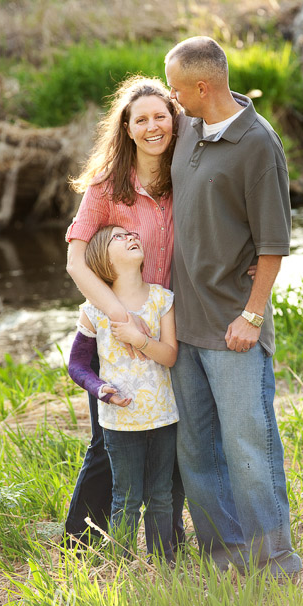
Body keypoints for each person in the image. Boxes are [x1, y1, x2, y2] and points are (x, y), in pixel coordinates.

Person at [164, 36, 301, 577]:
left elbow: (273, 243)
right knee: (197, 449)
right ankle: (226, 560)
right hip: (184, 324)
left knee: (249, 447)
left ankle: (278, 563)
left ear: (202, 86)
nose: (171, 97)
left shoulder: (258, 145)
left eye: (176, 88)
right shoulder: (187, 129)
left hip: (232, 326)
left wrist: (252, 315)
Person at [64, 76, 186, 548]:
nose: (153, 126)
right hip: (115, 324)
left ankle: (166, 541)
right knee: (105, 443)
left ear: (174, 120)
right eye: (142, 119)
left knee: (170, 435)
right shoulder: (106, 185)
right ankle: (80, 543)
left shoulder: (184, 175)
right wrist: (119, 318)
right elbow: (76, 261)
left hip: (168, 322)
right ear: (128, 127)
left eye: (162, 116)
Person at [66, 225, 179, 560]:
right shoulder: (93, 310)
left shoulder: (162, 298)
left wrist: (138, 338)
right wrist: (100, 389)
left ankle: (165, 566)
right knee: (126, 499)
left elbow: (170, 355)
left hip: (163, 417)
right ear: (102, 258)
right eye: (119, 236)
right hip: (119, 423)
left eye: (132, 233)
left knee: (161, 496)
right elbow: (76, 364)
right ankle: (123, 568)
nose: (132, 236)